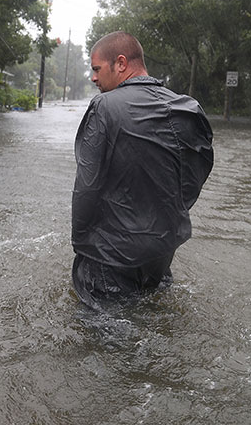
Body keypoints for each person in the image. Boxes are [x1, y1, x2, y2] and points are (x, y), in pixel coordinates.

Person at [71, 31, 214, 309]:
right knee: (152, 317)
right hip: (161, 252)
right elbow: (195, 174)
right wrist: (166, 219)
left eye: (97, 69)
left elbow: (87, 186)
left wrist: (81, 244)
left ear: (121, 63)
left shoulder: (103, 107)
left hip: (109, 258)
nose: (93, 78)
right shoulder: (188, 108)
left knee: (102, 338)